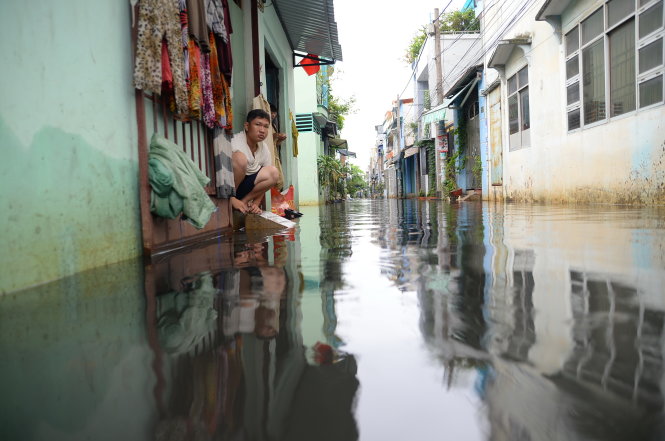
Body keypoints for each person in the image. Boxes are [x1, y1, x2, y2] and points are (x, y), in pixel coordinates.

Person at [231, 109, 280, 214]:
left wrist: (256, 203)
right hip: (230, 187)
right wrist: (229, 196)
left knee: (273, 172)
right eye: (258, 124)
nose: (262, 130)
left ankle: (244, 202)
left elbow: (266, 182)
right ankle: (230, 199)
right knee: (240, 158)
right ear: (247, 126)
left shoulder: (264, 148)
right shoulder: (235, 142)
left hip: (246, 188)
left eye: (266, 126)